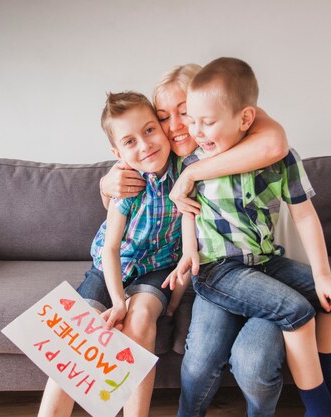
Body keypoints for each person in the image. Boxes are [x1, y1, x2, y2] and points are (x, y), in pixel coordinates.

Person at [164, 57, 331, 417]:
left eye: (207, 123)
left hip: (264, 262)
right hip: (217, 270)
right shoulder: (192, 166)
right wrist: (189, 254)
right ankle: (320, 408)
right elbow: (187, 215)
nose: (197, 132)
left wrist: (323, 275)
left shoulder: (280, 157)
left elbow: (305, 215)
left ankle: (327, 383)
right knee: (296, 311)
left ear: (245, 119)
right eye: (194, 121)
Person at [101, 64, 291, 417]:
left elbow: (276, 142)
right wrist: (105, 184)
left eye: (184, 113)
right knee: (199, 360)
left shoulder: (236, 138)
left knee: (254, 366)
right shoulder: (165, 157)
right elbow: (132, 188)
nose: (174, 126)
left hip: (262, 270)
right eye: (163, 117)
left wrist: (192, 173)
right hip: (211, 277)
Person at [37, 91, 188, 417]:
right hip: (111, 265)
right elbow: (111, 249)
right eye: (130, 141)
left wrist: (154, 304)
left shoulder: (185, 168)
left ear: (162, 128)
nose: (145, 145)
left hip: (158, 267)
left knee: (141, 318)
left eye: (149, 130)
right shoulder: (126, 181)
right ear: (117, 152)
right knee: (78, 332)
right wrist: (118, 300)